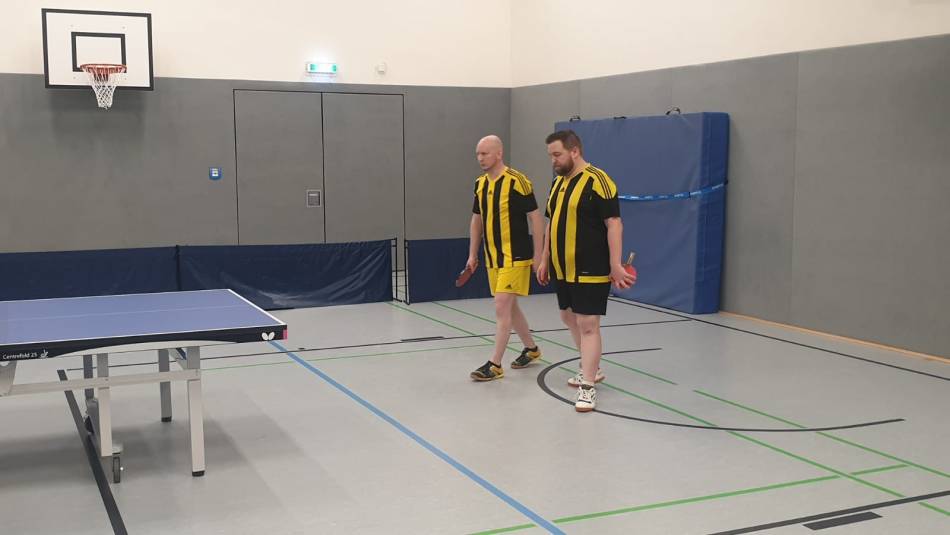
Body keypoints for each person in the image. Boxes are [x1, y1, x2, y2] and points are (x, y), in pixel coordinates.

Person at [536, 130, 635, 411]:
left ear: (575, 151)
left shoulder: (599, 181)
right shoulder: (558, 183)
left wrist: (615, 264)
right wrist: (544, 258)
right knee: (568, 316)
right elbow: (552, 222)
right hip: (562, 266)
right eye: (550, 156)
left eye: (557, 155)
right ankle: (594, 367)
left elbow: (614, 224)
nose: (553, 161)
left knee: (588, 323)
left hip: (591, 266)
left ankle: (588, 386)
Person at [467, 135, 545, 381]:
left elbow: (536, 218)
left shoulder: (517, 182)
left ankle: (495, 365)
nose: (480, 158)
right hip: (493, 257)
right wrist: (472, 253)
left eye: (485, 153)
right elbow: (477, 220)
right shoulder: (480, 184)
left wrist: (538, 255)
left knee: (501, 305)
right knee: (510, 306)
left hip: (516, 255)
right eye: (478, 154)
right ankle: (531, 349)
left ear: (499, 154)